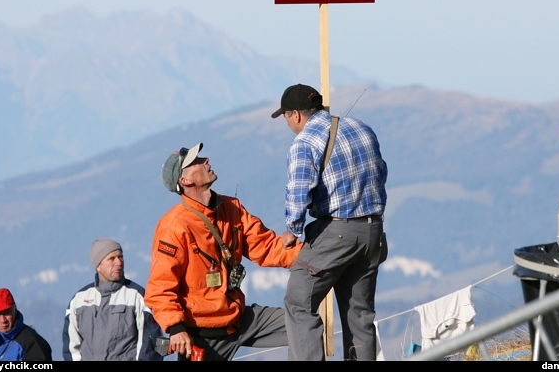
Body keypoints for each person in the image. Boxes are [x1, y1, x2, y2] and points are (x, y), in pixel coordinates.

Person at [144, 142, 303, 361]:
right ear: (185, 180)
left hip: (240, 318)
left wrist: (314, 256)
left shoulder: (232, 207)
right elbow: (160, 288)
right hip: (202, 336)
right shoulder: (174, 227)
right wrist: (175, 328)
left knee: (306, 326)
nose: (206, 160)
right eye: (197, 162)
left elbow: (266, 248)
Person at [271, 83, 388, 361]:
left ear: (296, 114)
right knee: (358, 313)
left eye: (286, 117)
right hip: (373, 230)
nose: (288, 123)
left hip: (336, 231)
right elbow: (380, 172)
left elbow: (299, 192)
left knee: (298, 302)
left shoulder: (305, 142)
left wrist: (292, 229)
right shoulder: (361, 127)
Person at [62, 238, 163, 361]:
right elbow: (71, 347)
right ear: (98, 266)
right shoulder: (78, 301)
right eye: (111, 258)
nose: (119, 262)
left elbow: (150, 344)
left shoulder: (138, 297)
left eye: (120, 257)